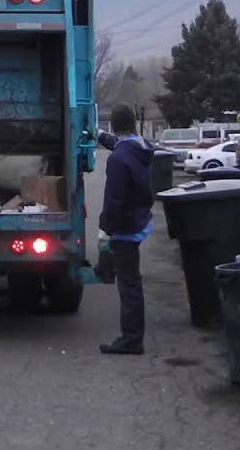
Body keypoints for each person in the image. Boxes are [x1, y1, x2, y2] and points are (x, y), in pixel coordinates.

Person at [88, 104, 156, 355]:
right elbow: (119, 146)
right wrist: (98, 135)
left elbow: (113, 200)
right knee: (130, 280)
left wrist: (105, 230)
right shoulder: (141, 147)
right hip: (139, 221)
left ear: (115, 126)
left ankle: (132, 340)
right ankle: (132, 336)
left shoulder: (118, 159)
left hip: (125, 228)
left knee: (129, 285)